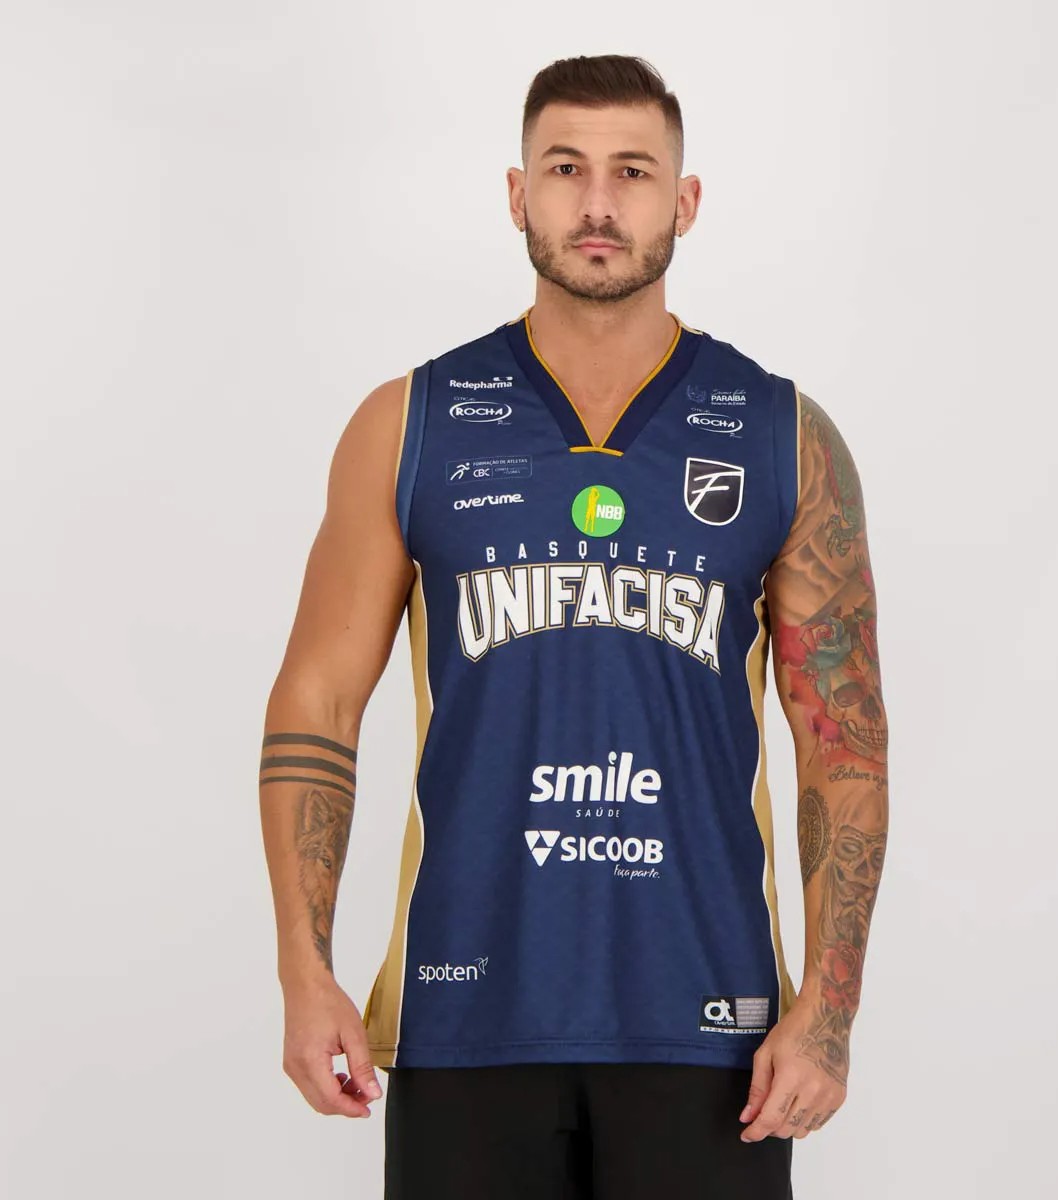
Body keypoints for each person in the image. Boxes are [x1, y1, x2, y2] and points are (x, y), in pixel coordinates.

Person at [259, 52, 889, 1199]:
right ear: (518, 194)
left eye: (632, 171)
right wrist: (307, 975)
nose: (598, 202)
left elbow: (841, 742)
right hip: (467, 1011)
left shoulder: (781, 436)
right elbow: (319, 702)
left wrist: (829, 1012)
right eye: (565, 168)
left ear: (684, 201)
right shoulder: (410, 424)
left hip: (715, 1030)